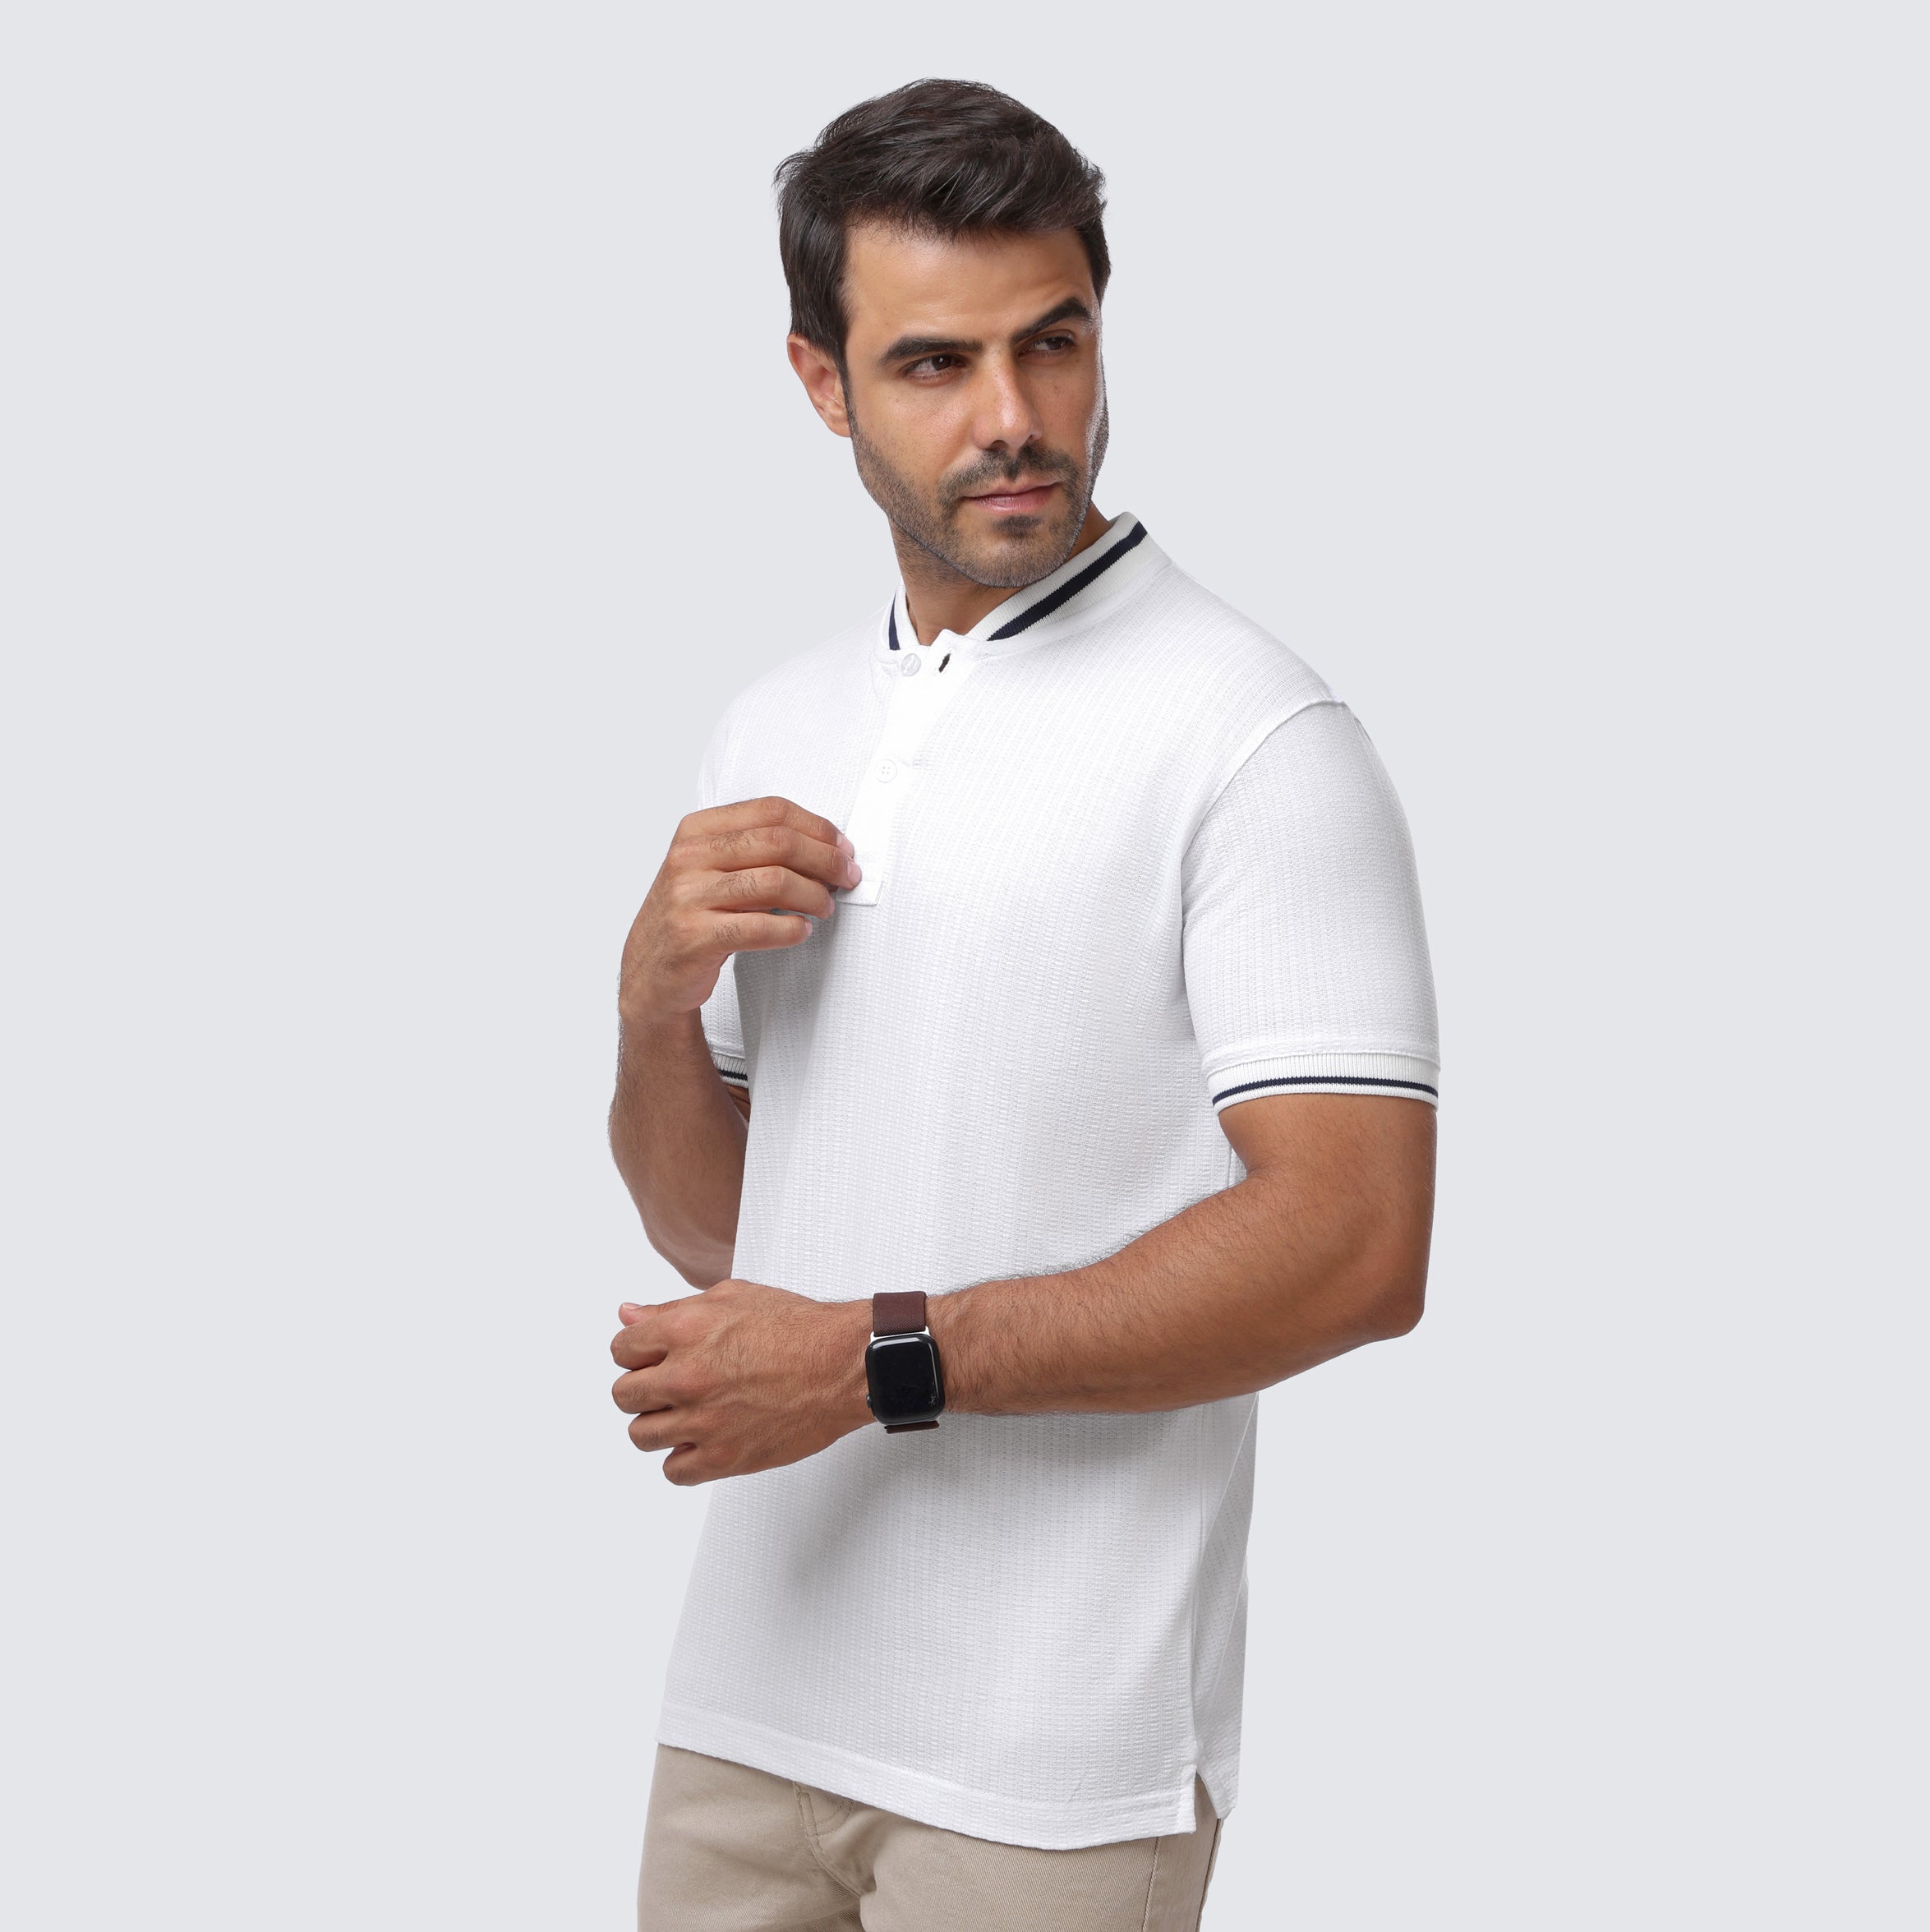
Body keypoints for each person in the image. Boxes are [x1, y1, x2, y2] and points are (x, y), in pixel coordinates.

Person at [608, 78, 1439, 1932]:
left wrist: (869, 1362)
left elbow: (1359, 1248)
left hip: (1054, 1766)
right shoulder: (774, 725)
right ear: (820, 381)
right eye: (932, 364)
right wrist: (652, 1008)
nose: (1011, 419)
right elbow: (728, 1234)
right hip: (745, 1714)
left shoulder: (1255, 737)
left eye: (1049, 343)